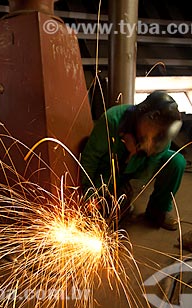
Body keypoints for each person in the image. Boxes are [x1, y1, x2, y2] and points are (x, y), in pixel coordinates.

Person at [80, 90, 186, 230]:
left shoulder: (163, 134)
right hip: (109, 167)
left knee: (176, 162)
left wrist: (137, 157)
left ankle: (157, 211)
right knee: (104, 209)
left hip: (137, 166)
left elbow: (147, 172)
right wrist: (89, 194)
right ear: (149, 117)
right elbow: (90, 159)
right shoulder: (112, 120)